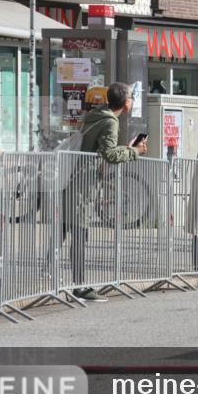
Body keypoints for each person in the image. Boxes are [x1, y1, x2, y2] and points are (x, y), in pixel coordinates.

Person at [61, 82, 147, 302]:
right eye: (132, 99)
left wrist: (126, 149)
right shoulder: (110, 121)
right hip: (83, 183)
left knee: (64, 231)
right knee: (79, 233)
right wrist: (134, 152)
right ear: (127, 103)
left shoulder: (94, 114)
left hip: (72, 178)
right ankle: (79, 286)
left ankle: (55, 279)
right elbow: (109, 154)